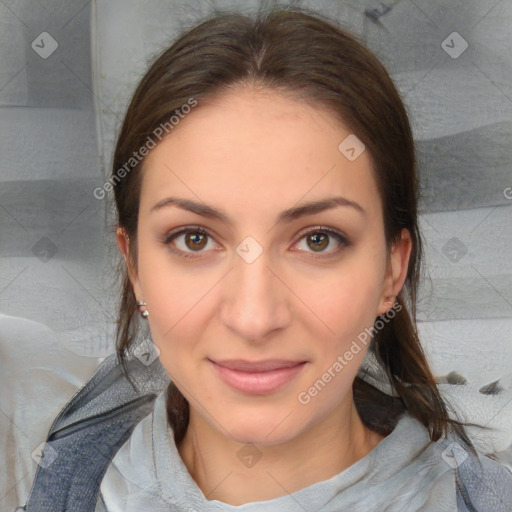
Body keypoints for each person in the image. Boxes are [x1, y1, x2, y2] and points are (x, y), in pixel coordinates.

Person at [17, 6, 512, 512]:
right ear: (135, 266)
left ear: (392, 268)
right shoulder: (59, 483)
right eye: (194, 239)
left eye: (318, 240)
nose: (254, 318)